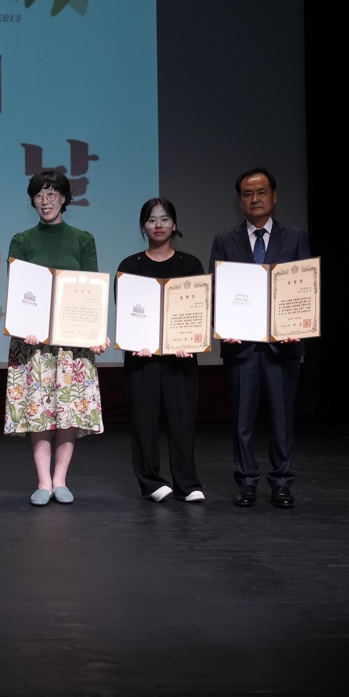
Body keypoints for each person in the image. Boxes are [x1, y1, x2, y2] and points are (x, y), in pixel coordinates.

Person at [209, 167, 312, 509]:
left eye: (261, 192)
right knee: (242, 419)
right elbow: (217, 291)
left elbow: (305, 286)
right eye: (248, 194)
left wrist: (298, 324)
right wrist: (224, 326)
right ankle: (247, 481)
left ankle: (281, 482)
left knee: (282, 418)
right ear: (240, 201)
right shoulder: (225, 240)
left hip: (284, 345)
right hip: (241, 346)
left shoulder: (295, 236)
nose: (255, 199)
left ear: (274, 196)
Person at [4, 169, 106, 505]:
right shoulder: (22, 240)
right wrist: (24, 326)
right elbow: (19, 291)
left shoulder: (82, 239)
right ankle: (43, 481)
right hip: (33, 343)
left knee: (68, 410)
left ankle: (60, 479)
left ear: (64, 199)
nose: (45, 201)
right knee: (39, 411)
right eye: (38, 195)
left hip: (72, 342)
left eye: (51, 194)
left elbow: (90, 290)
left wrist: (95, 332)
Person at [116, 198, 206, 503]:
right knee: (144, 423)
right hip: (141, 358)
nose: (158, 225)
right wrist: (135, 340)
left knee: (182, 421)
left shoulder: (190, 264)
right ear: (143, 226)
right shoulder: (130, 266)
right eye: (152, 219)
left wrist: (189, 341)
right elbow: (126, 311)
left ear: (174, 224)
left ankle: (187, 484)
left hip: (181, 357)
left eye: (165, 219)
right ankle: (151, 482)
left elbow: (198, 309)